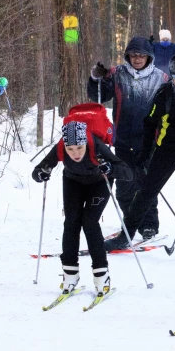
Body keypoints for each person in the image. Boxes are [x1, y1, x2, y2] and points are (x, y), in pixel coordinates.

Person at [32, 121, 134, 295]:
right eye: (70, 149)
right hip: (73, 181)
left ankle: (102, 276)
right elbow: (38, 170)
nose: (75, 153)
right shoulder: (60, 147)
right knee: (71, 222)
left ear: (85, 142)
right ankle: (70, 274)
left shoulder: (97, 146)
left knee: (89, 222)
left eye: (79, 147)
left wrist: (109, 169)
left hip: (99, 183)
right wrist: (41, 173)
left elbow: (127, 172)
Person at [123, 54, 175, 256]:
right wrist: (145, 150)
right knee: (148, 189)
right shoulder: (165, 92)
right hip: (169, 146)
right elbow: (150, 121)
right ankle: (126, 233)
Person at [88, 36, 166, 249]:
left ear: (149, 57)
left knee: (146, 186)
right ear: (128, 56)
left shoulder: (161, 78)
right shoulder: (117, 74)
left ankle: (149, 225)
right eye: (133, 55)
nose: (137, 59)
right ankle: (131, 221)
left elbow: (171, 103)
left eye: (141, 55)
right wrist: (96, 78)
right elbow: (99, 96)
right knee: (124, 188)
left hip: (148, 140)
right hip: (123, 140)